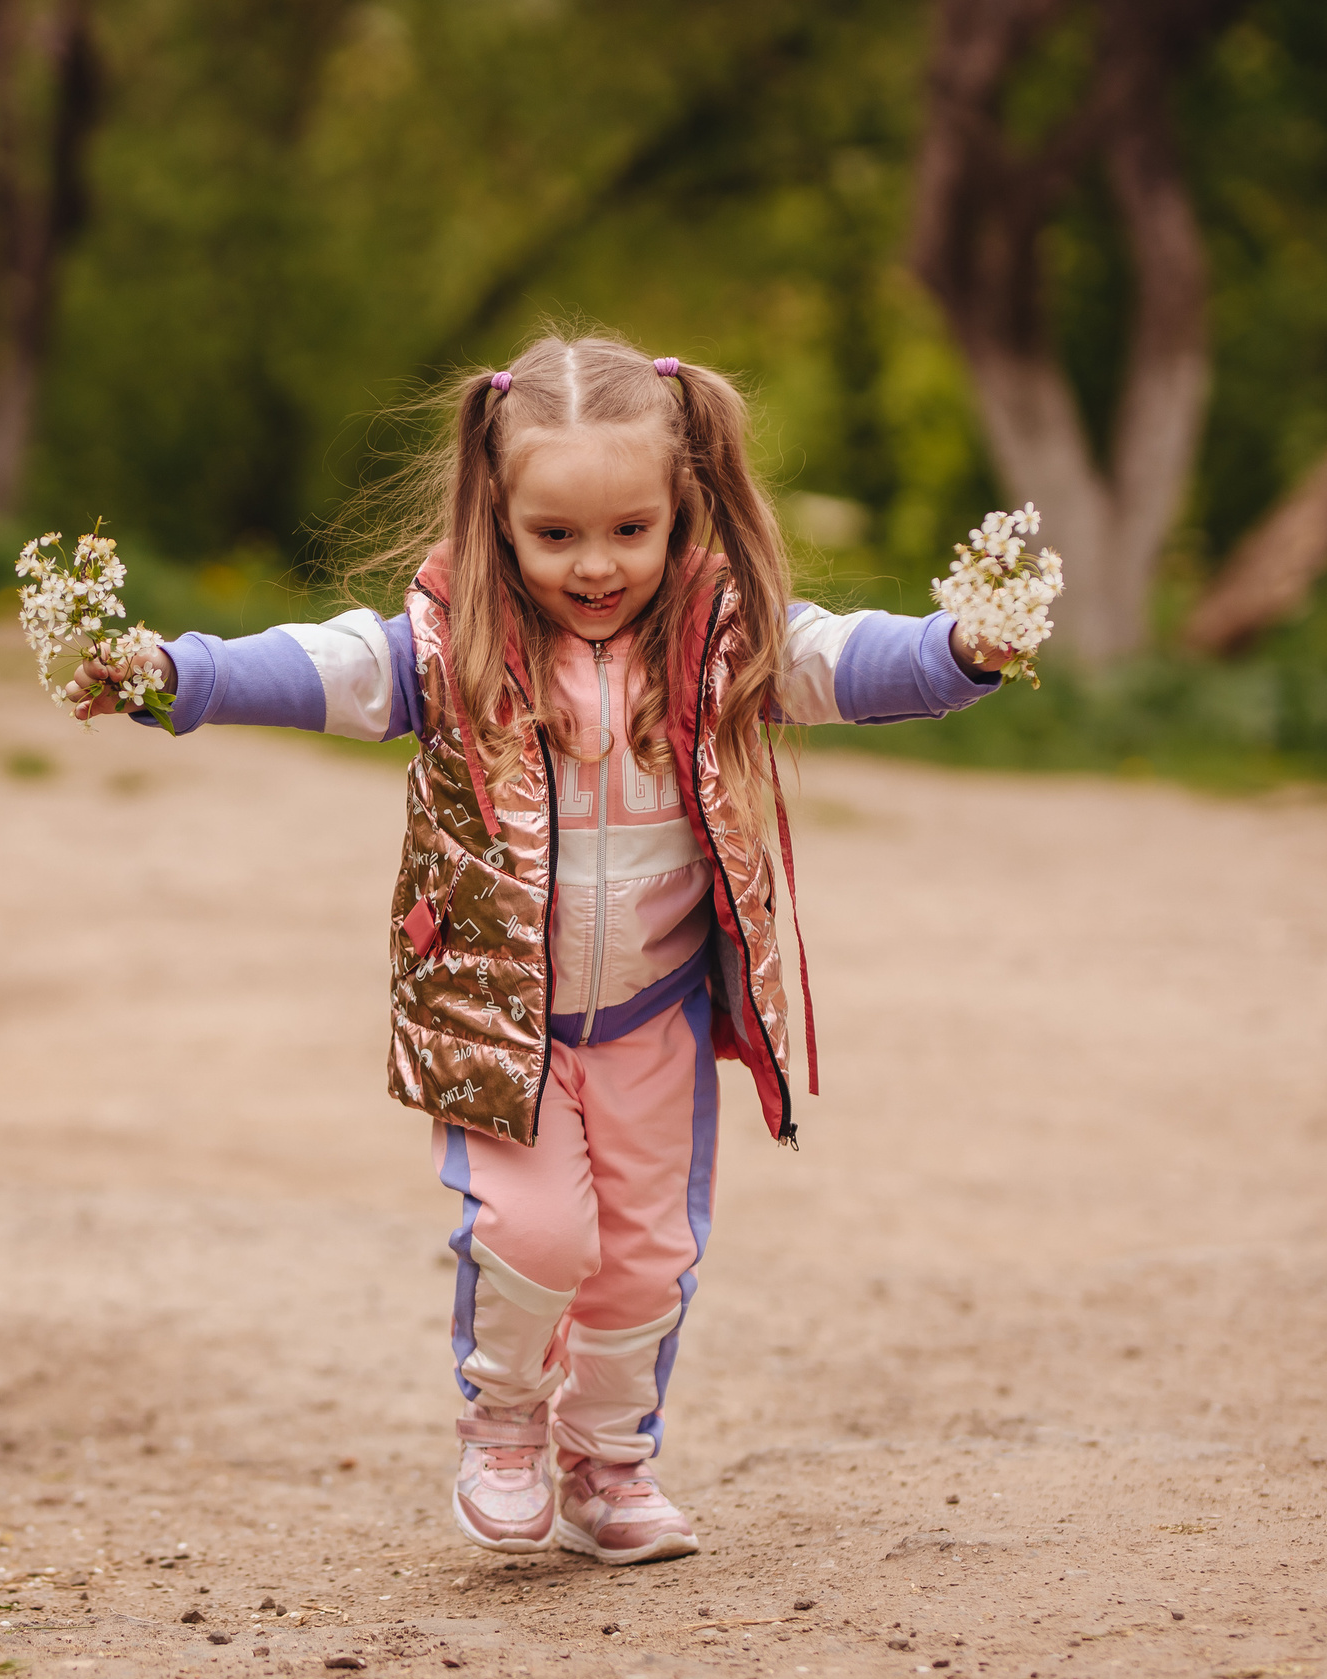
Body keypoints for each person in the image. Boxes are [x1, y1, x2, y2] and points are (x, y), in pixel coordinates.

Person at [63, 333, 1017, 1566]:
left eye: (631, 529)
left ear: (681, 508)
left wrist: (961, 649)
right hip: (496, 1019)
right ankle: (504, 1425)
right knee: (535, 1237)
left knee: (648, 1256)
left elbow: (846, 660)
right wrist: (172, 674)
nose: (597, 565)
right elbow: (311, 665)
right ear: (496, 517)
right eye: (554, 535)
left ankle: (609, 1466)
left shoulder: (726, 638)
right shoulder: (444, 648)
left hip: (651, 1017)